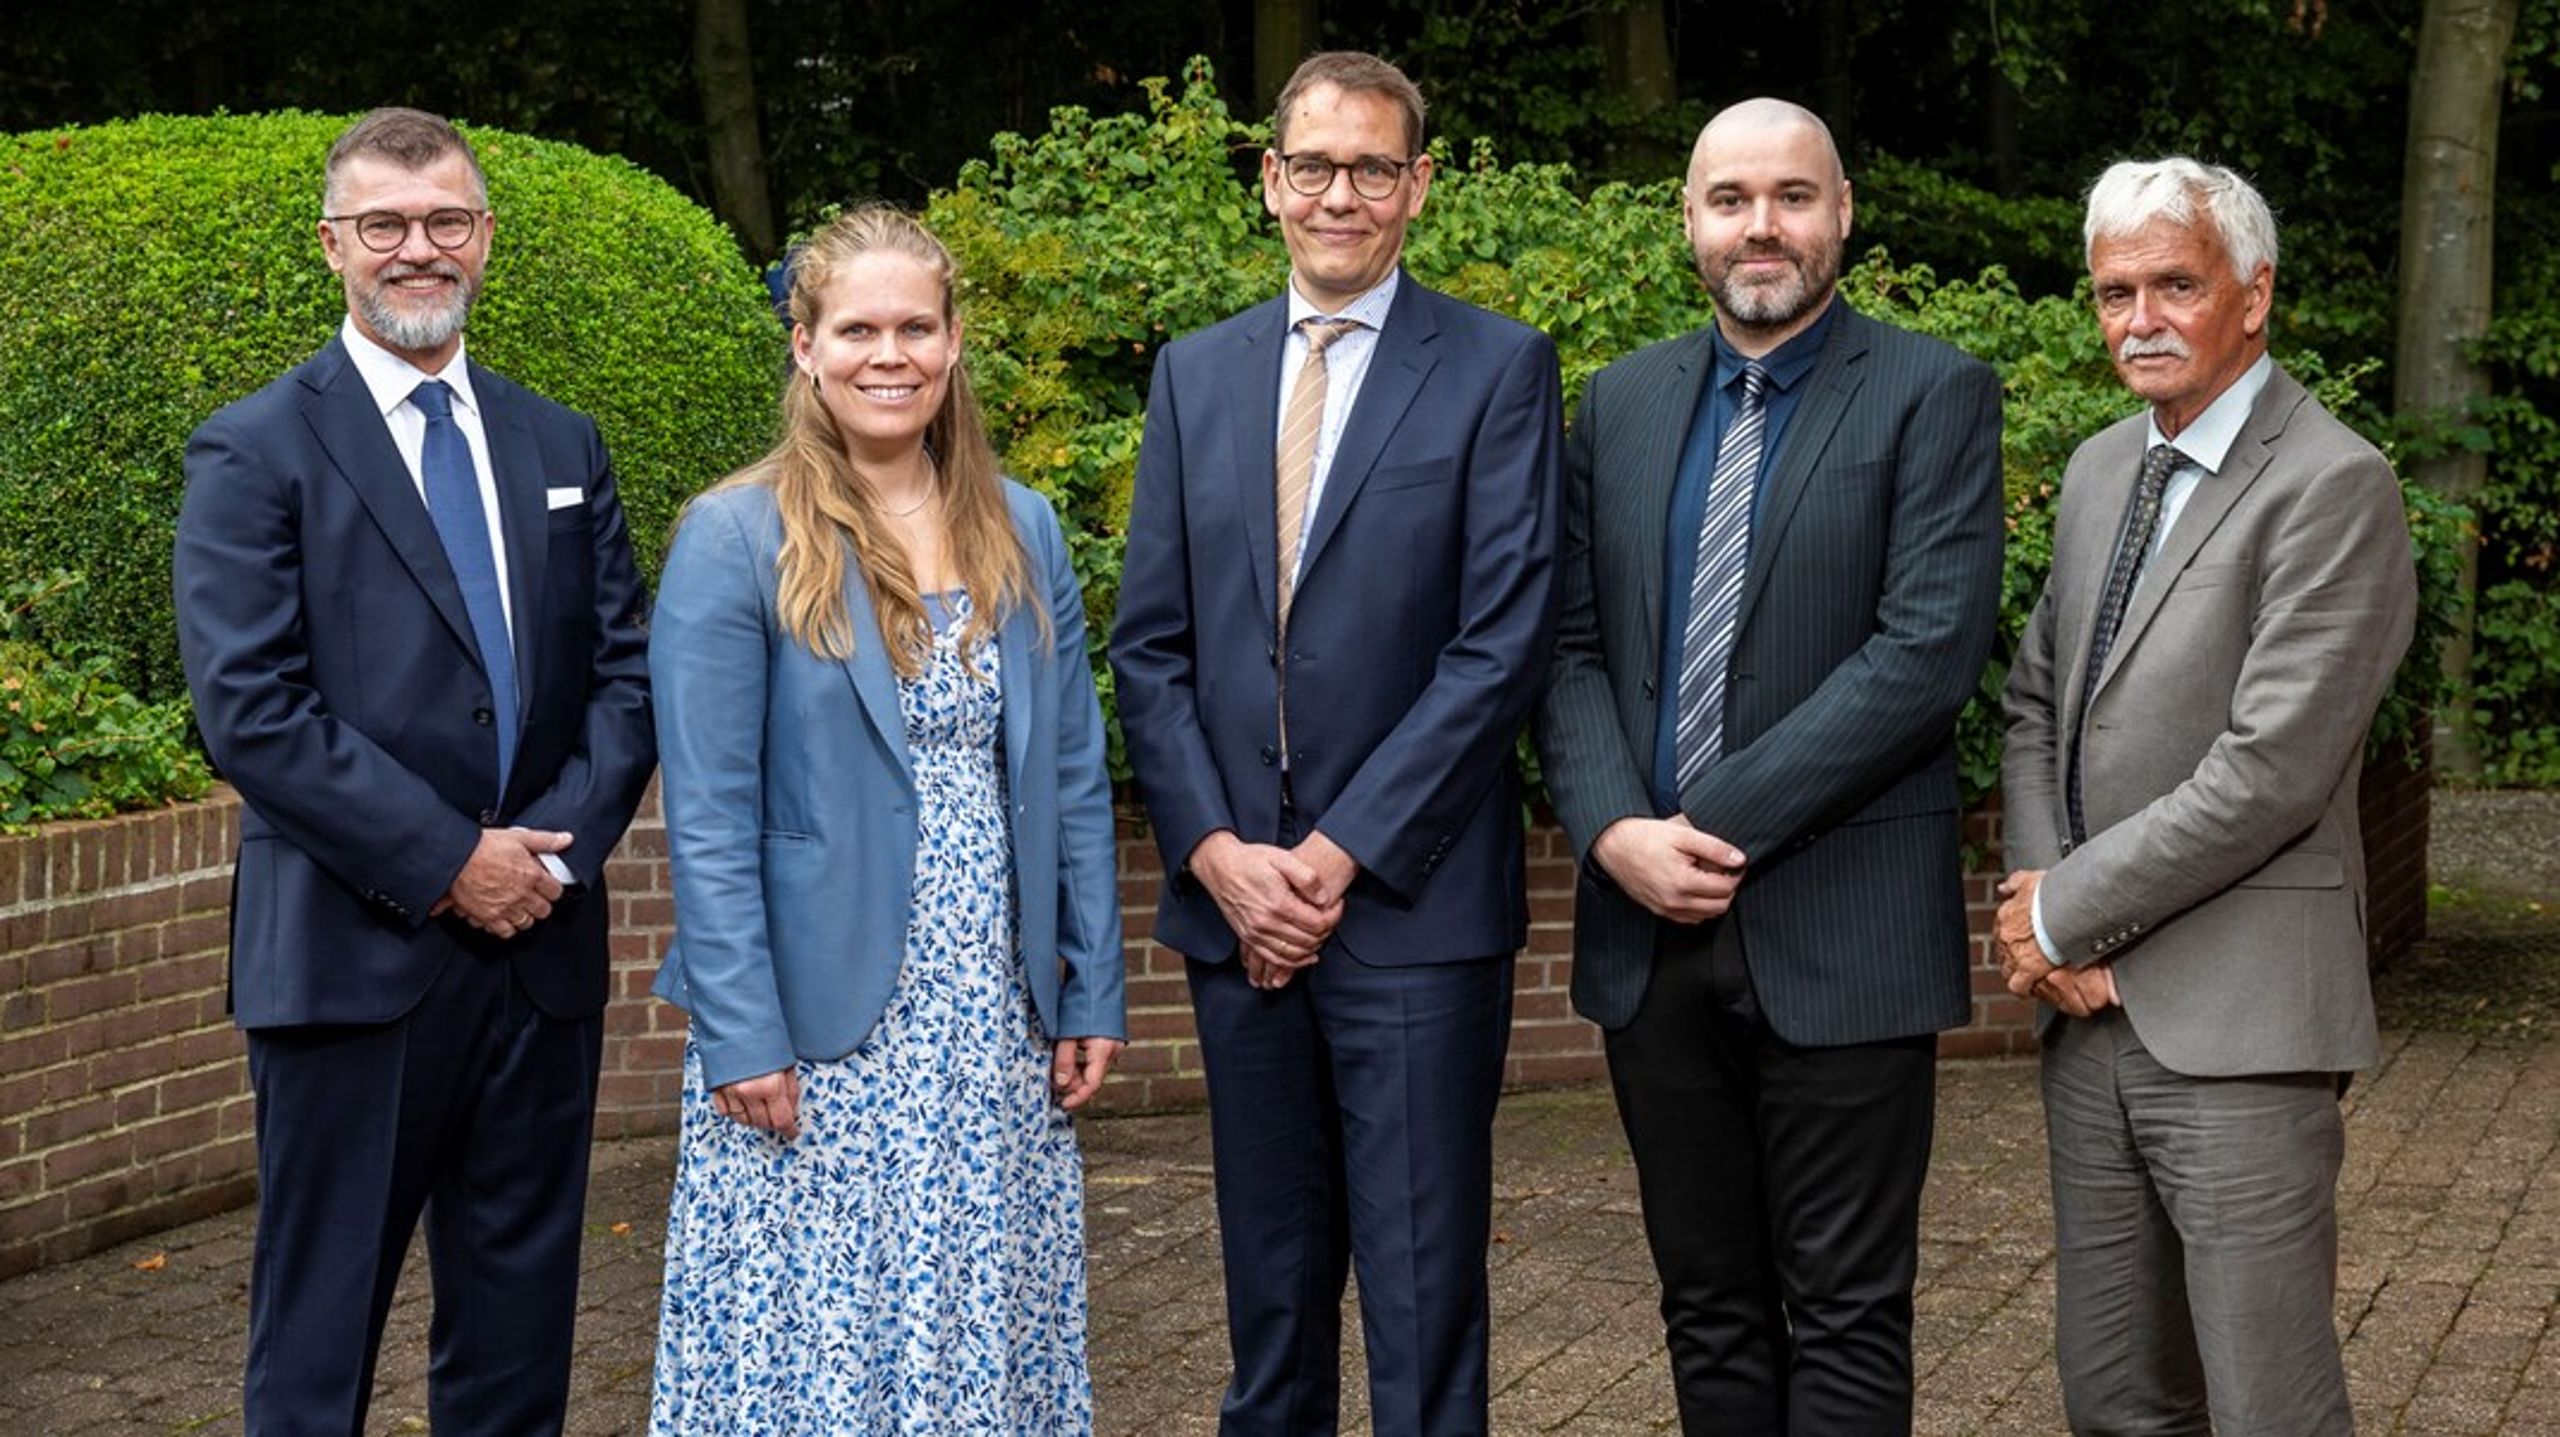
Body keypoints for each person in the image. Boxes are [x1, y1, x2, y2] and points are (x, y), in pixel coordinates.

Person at [172, 106, 655, 1433]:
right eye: (385, 224)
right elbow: (252, 711)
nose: (417, 248)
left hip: (537, 958)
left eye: (446, 220)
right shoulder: (252, 449)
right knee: (319, 1347)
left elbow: (627, 678)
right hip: (350, 960)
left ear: (486, 239)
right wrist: (451, 863)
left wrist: (541, 856)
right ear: (333, 246)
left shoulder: (562, 445)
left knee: (516, 1349)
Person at [1532, 99, 2005, 1434]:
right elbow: (1566, 649)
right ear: (1688, 220)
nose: (1761, 224)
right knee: (1709, 1305)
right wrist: (1619, 830)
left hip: (1841, 930)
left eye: (1792, 196)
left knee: (1849, 1312)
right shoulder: (1616, 404)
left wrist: (1702, 823)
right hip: (1648, 940)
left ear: (1843, 212)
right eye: (1730, 196)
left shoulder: (1933, 390)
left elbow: (1923, 657)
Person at [1109, 50, 1561, 1437]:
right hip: (1235, 912)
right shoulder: (1197, 374)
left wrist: (1335, 857)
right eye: (1315, 166)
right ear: (1270, 181)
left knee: (1423, 1312)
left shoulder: (1497, 368)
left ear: (1419, 187)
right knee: (1271, 1301)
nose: (1341, 195)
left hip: (1411, 914)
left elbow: (1502, 646)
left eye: (1374, 168)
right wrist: (1219, 854)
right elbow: (1153, 644)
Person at [645, 204, 1126, 1433]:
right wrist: (739, 1028)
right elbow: (707, 810)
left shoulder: (1022, 525)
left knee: (974, 1301)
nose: (889, 353)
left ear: (955, 341)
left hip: (992, 1010)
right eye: (856, 327)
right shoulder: (733, 536)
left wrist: (1088, 991)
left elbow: (1072, 775)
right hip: (817, 1017)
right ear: (803, 345)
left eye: (916, 325)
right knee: (816, 1323)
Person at [1997, 158, 2416, 1434]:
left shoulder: (2334, 485)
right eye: (2114, 292)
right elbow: (2033, 710)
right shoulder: (2094, 473)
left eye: (2175, 284)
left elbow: (2268, 771)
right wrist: (2039, 919)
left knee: (2264, 1406)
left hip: (2239, 1027)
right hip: (2088, 1025)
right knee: (2115, 1395)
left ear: (2254, 295)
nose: (2140, 319)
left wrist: (2065, 916)